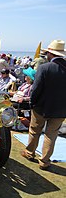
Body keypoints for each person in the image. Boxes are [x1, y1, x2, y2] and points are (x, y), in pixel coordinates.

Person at [21, 39, 66, 170]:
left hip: (41, 107)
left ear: (50, 54)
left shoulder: (44, 67)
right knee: (51, 135)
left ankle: (30, 153)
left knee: (35, 130)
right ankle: (45, 161)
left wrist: (32, 102)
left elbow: (36, 89)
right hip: (61, 109)